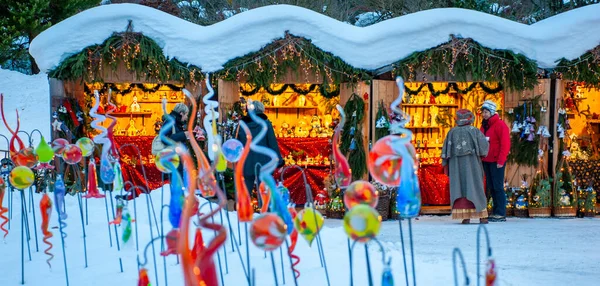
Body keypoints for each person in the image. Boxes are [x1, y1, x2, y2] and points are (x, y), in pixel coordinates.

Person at [442, 109, 490, 224]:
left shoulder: (452, 132)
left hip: (456, 166)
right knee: (475, 186)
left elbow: (445, 152)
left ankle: (465, 216)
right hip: (472, 165)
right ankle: (482, 216)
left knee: (459, 187)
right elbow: (484, 148)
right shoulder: (475, 131)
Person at [236, 100, 284, 194]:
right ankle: (264, 208)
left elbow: (237, 144)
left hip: (246, 162)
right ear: (261, 110)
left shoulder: (241, 125)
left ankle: (243, 208)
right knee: (264, 193)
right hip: (264, 163)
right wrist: (279, 162)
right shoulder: (266, 124)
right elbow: (272, 144)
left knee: (245, 192)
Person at [480, 100, 511, 222]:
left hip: (496, 161)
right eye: (483, 112)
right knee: (491, 186)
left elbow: (505, 144)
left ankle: (500, 212)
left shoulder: (500, 125)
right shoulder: (484, 125)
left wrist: (501, 160)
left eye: (487, 111)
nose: (484, 114)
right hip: (486, 160)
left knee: (498, 186)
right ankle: (495, 210)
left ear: (492, 112)